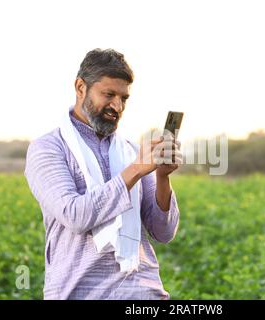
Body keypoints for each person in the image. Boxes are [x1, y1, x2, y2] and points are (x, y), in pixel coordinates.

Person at [24, 48, 182, 300]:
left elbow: (164, 232)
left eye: (124, 98)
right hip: (77, 291)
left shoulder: (131, 151)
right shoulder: (48, 148)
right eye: (108, 94)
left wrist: (163, 177)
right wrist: (135, 170)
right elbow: (75, 215)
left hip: (141, 292)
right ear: (80, 87)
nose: (117, 106)